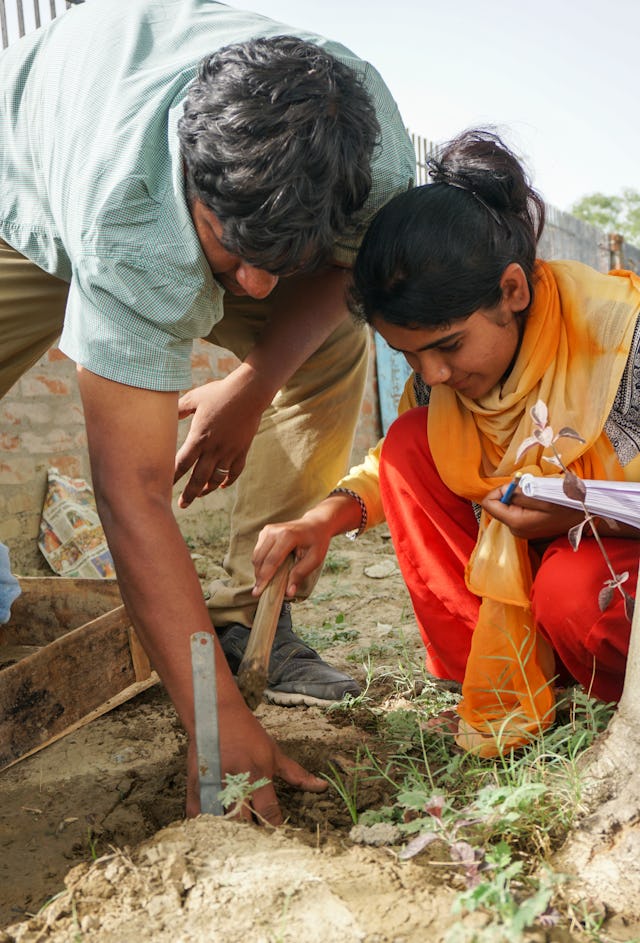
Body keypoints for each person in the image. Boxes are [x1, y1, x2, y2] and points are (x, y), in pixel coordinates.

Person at [0, 0, 415, 817]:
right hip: (27, 169)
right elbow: (133, 491)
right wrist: (216, 722)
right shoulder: (134, 213)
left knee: (333, 341)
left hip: (164, 175)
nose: (256, 288)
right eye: (234, 253)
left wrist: (255, 381)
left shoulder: (374, 153)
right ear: (194, 183)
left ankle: (243, 619)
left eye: (279, 260)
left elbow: (342, 268)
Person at [253, 128, 640, 757]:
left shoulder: (621, 339)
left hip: (607, 571)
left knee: (571, 589)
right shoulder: (443, 386)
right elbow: (397, 468)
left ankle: (604, 695)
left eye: (448, 345)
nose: (432, 375)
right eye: (410, 355)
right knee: (410, 440)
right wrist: (325, 519)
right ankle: (492, 685)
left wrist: (587, 514)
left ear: (512, 291)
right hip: (551, 570)